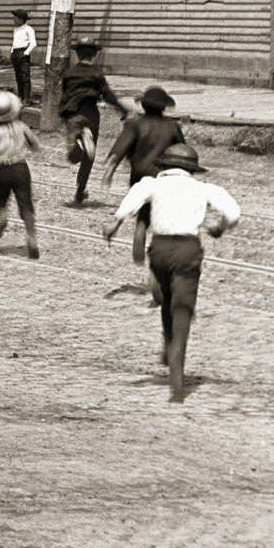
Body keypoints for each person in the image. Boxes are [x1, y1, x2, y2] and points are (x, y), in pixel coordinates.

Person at [103, 143, 240, 403]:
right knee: (183, 310)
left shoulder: (151, 184)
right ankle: (177, 384)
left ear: (164, 166)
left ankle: (167, 344)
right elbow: (233, 212)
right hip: (188, 249)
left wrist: (114, 223)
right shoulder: (204, 189)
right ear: (192, 170)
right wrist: (220, 227)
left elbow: (133, 200)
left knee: (166, 296)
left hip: (160, 251)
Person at [103, 86, 187, 279]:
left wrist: (109, 171)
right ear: (164, 107)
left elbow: (120, 148)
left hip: (139, 173)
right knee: (160, 210)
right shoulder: (172, 127)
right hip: (163, 175)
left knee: (140, 206)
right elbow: (183, 150)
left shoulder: (135, 124)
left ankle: (138, 234)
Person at [59, 38, 125, 205]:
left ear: (77, 54)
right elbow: (108, 95)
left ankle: (78, 143)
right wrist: (123, 110)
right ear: (94, 55)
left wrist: (62, 115)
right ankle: (80, 192)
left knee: (73, 157)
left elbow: (64, 95)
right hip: (90, 114)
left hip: (72, 114)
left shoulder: (69, 73)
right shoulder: (96, 74)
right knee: (89, 158)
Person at [0, 89, 40, 258]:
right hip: (20, 168)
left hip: (1, 169)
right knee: (26, 205)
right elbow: (35, 145)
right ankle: (32, 237)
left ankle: (3, 216)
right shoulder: (21, 126)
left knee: (1, 200)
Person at [10, 10, 36, 104]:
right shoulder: (15, 29)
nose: (13, 19)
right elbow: (14, 43)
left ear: (21, 19)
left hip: (23, 52)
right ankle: (20, 96)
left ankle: (26, 98)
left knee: (25, 76)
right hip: (16, 53)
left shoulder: (29, 29)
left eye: (15, 18)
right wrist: (12, 52)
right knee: (18, 76)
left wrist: (25, 53)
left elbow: (33, 43)